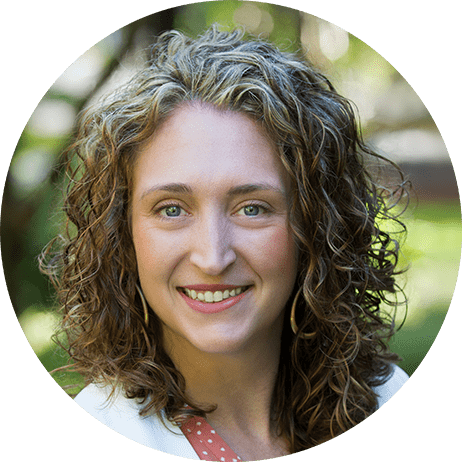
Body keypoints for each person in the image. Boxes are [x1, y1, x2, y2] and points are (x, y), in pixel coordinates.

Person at [40, 26, 409, 460]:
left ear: (315, 225)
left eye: (252, 208)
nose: (213, 258)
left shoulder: (387, 398)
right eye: (171, 209)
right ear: (122, 232)